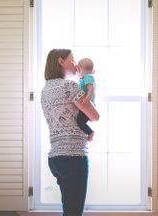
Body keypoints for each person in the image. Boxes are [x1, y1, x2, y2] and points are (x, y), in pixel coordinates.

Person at [41, 49, 99, 216]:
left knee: (69, 209)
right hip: (73, 157)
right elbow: (94, 116)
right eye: (72, 60)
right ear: (61, 61)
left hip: (55, 158)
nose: (76, 64)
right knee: (73, 212)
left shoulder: (45, 91)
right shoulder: (69, 86)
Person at [76, 58, 96, 141]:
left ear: (81, 69)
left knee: (79, 121)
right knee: (80, 121)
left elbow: (91, 89)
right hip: (86, 104)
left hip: (87, 104)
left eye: (78, 70)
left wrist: (87, 99)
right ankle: (86, 132)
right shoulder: (86, 77)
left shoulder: (88, 77)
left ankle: (90, 132)